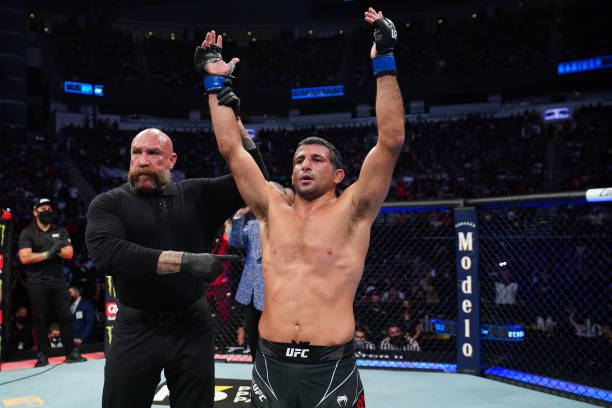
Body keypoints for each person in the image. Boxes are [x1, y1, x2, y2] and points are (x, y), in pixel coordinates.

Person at [203, 7, 404, 406]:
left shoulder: (354, 210)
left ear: (339, 175)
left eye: (316, 160)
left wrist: (384, 59)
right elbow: (230, 148)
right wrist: (213, 78)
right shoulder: (271, 208)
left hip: (330, 368)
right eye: (298, 160)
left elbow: (391, 140)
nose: (305, 165)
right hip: (270, 361)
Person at [85, 123, 268, 408]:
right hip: (135, 329)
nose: (143, 160)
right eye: (137, 152)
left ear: (172, 160)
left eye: (154, 153)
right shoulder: (109, 203)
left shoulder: (196, 194)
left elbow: (254, 181)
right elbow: (108, 254)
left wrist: (237, 126)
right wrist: (186, 262)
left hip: (191, 327)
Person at [18, 197, 86, 367]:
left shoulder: (60, 230)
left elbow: (69, 253)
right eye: (42, 208)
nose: (46, 211)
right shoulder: (28, 233)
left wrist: (54, 251)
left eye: (48, 208)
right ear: (35, 212)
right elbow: (24, 257)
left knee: (65, 316)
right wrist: (49, 253)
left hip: (58, 281)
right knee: (40, 319)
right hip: (37, 281)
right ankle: (42, 355)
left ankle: (71, 352)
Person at [228, 181, 293, 360]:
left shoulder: (290, 223)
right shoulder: (254, 224)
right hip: (250, 290)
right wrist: (239, 217)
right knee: (253, 337)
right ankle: (258, 374)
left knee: (277, 340)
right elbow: (235, 242)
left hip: (277, 291)